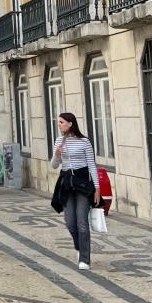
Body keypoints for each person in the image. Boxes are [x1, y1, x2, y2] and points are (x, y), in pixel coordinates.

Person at [51, 111, 101, 270]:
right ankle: (79, 247)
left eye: (61, 122)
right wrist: (57, 155)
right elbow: (54, 165)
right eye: (58, 122)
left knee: (82, 223)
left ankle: (85, 259)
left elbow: (92, 165)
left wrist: (97, 188)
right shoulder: (59, 140)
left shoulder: (84, 142)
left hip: (83, 185)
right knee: (70, 222)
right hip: (66, 184)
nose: (59, 125)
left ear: (70, 124)